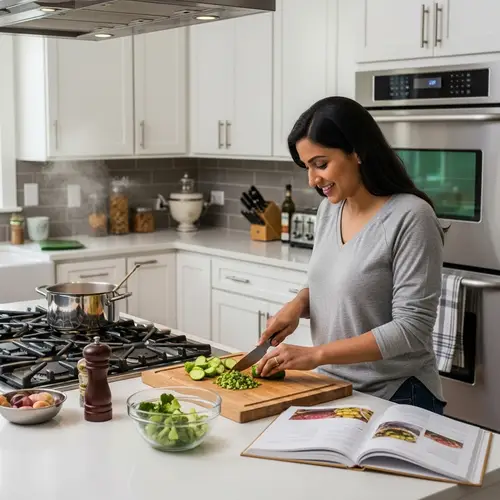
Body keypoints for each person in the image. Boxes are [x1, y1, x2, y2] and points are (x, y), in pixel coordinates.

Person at [256, 96, 446, 414]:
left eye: (321, 163)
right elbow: (337, 281)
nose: (312, 180)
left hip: (397, 394)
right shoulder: (330, 210)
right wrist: (298, 305)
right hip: (334, 386)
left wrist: (315, 355)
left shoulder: (412, 216)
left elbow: (412, 328)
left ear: (357, 151)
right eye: (307, 167)